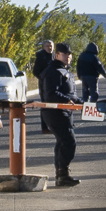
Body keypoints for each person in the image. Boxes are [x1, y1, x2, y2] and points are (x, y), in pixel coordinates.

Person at [35, 41, 82, 187]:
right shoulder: (53, 71)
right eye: (64, 54)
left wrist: (83, 103)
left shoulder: (64, 71)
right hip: (55, 113)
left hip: (64, 112)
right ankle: (63, 174)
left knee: (62, 142)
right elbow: (50, 94)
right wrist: (67, 101)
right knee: (68, 141)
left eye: (69, 54)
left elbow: (70, 94)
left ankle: (62, 175)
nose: (67, 56)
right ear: (57, 55)